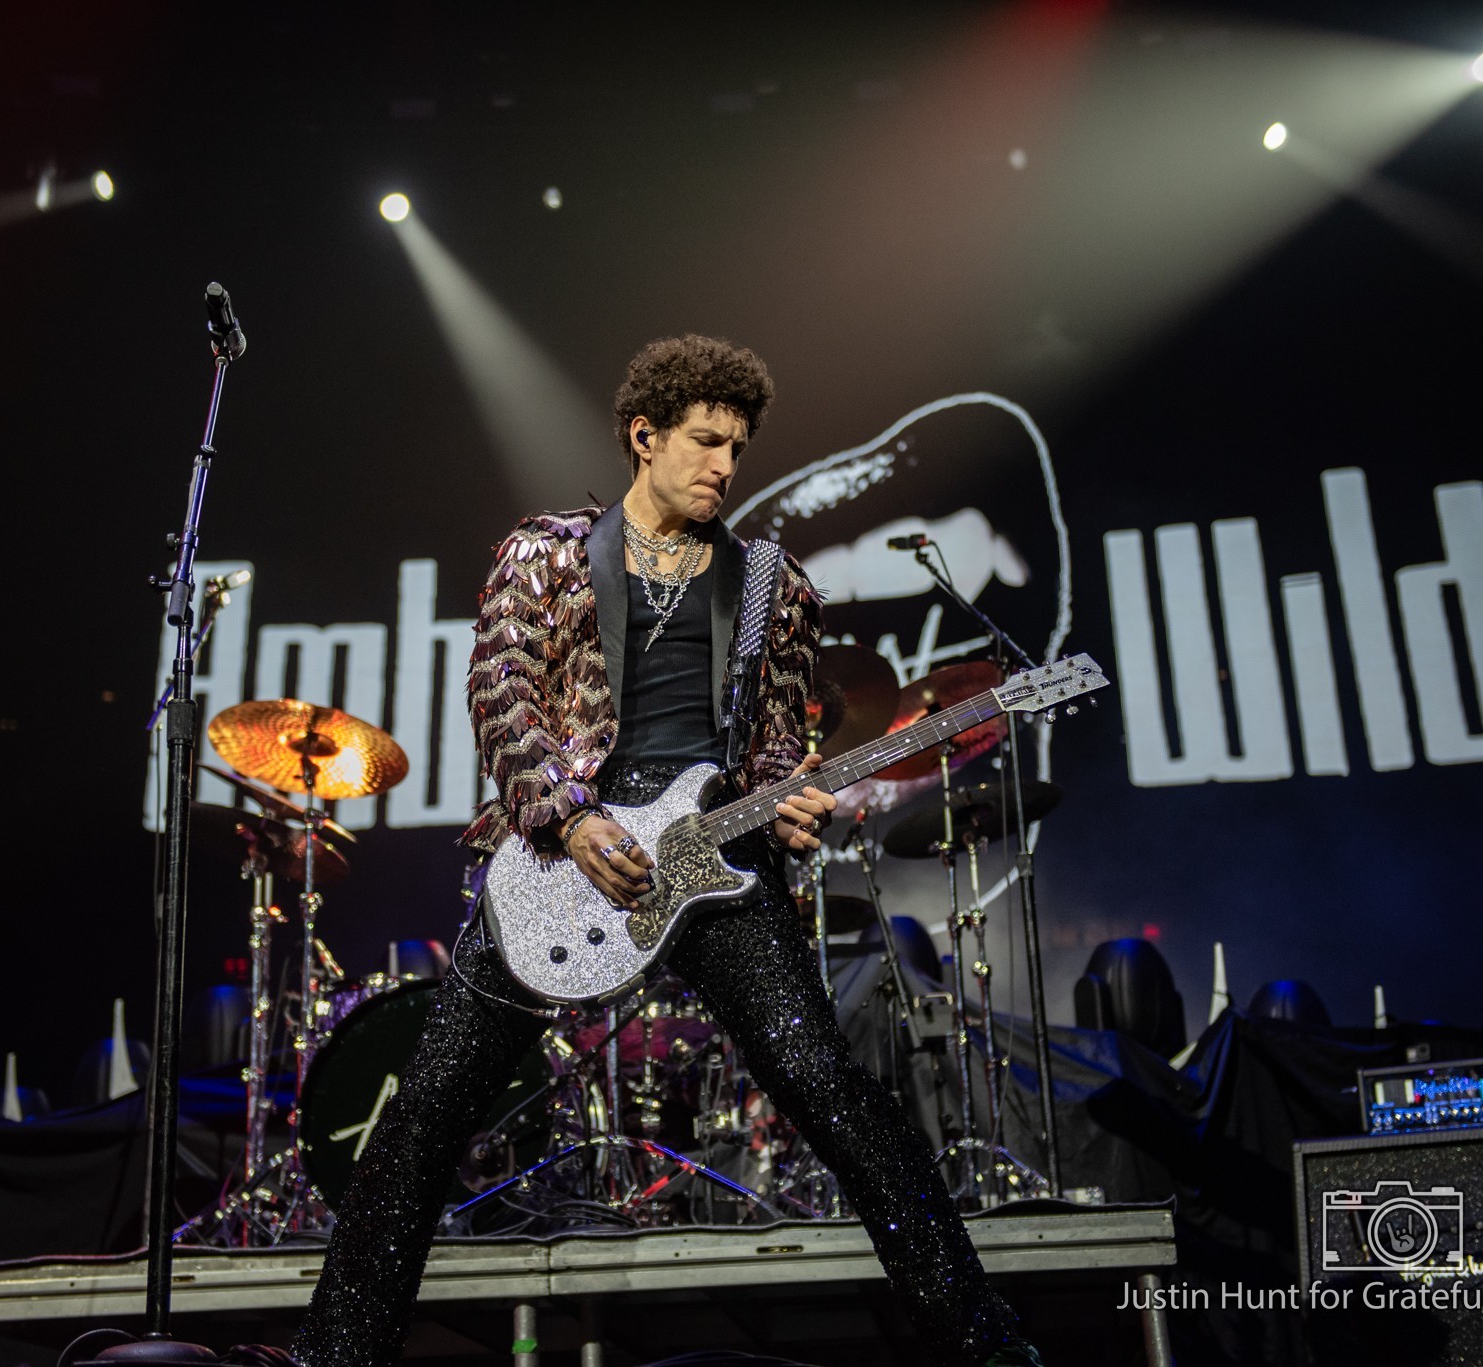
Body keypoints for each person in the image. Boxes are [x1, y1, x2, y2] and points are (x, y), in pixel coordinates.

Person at [294, 336, 1041, 1367]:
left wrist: (786, 806)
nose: (723, 465)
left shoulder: (771, 582)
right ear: (644, 436)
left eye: (736, 448)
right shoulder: (549, 553)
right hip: (564, 853)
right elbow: (502, 694)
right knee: (424, 1111)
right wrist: (568, 816)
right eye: (703, 441)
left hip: (713, 858)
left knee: (833, 1091)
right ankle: (334, 1353)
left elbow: (771, 748)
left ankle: (986, 1343)